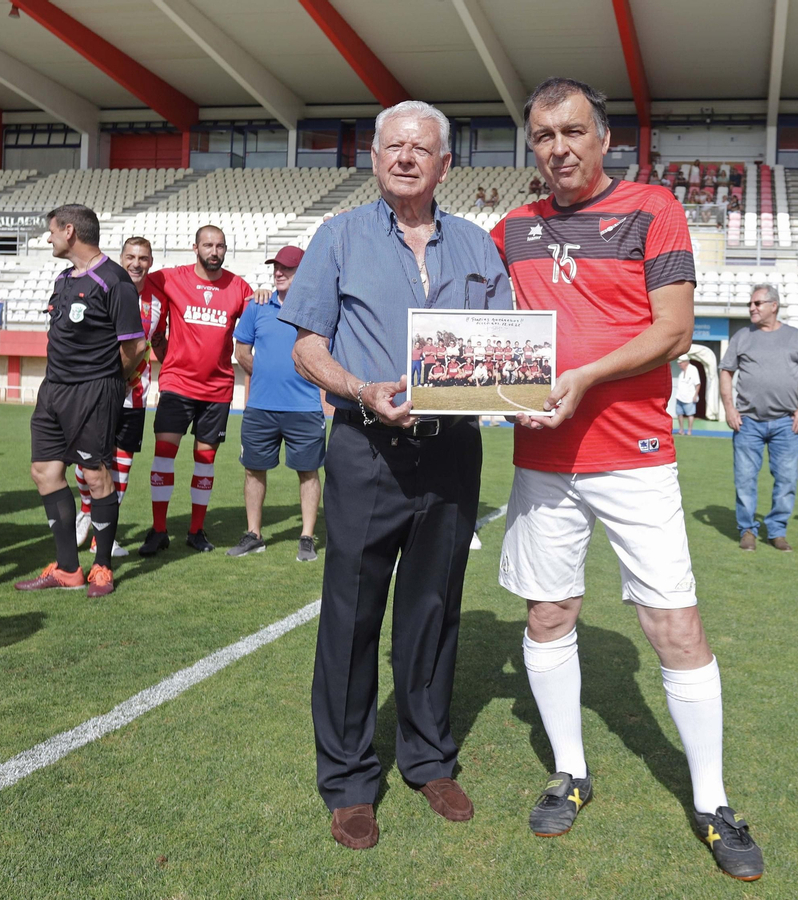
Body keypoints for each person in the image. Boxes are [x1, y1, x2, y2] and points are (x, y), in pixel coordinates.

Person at [494, 77, 764, 882]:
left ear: (603, 139)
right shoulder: (511, 227)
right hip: (543, 457)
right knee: (550, 614)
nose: (558, 148)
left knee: (673, 626)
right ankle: (571, 774)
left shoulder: (653, 209)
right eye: (543, 136)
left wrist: (580, 379)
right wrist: (499, 391)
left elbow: (674, 331)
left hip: (635, 453)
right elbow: (493, 334)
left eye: (573, 132)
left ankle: (713, 801)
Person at [279, 99, 510, 851]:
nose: (406, 157)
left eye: (422, 148)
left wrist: (520, 392)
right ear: (375, 159)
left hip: (452, 450)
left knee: (434, 609)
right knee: (350, 614)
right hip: (363, 446)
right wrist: (360, 390)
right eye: (393, 147)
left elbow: (507, 347)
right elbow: (306, 347)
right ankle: (349, 781)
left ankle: (428, 758)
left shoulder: (478, 245)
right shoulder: (339, 236)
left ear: (446, 165)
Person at [13, 205, 147, 599]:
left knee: (94, 474)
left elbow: (135, 345)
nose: (48, 237)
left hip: (93, 391)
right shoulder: (63, 278)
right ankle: (68, 568)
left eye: (52, 231)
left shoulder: (114, 280)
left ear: (69, 231)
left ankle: (102, 567)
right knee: (44, 471)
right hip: (53, 391)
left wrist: (108, 381)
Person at [139, 225, 254, 555]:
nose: (214, 251)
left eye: (220, 246)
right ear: (195, 248)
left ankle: (196, 530)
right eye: (208, 245)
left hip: (218, 389)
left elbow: (258, 316)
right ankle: (159, 529)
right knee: (164, 456)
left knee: (205, 461)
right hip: (177, 385)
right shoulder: (170, 278)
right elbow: (136, 277)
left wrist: (259, 294)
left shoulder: (239, 287)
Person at [227, 245, 323, 562]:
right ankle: (254, 534)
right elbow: (242, 353)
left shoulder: (317, 308)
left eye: (288, 268)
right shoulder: (258, 306)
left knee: (308, 472)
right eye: (276, 267)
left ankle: (307, 537)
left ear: (303, 273)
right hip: (260, 408)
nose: (279, 272)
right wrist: (268, 374)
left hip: (305, 407)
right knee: (254, 470)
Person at [74, 235, 160, 559]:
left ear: (150, 262)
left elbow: (156, 340)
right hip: (98, 390)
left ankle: (103, 537)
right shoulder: (106, 286)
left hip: (134, 395)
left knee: (121, 468)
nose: (137, 263)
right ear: (121, 258)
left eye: (143, 258)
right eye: (131, 256)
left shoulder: (158, 300)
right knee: (86, 462)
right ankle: (85, 508)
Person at [720, 283, 798, 553]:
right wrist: (729, 408)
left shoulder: (795, 337)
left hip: (786, 423)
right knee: (745, 480)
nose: (752, 307)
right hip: (748, 423)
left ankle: (777, 531)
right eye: (751, 303)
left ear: (774, 306)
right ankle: (748, 530)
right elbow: (726, 371)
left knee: (786, 480)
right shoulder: (742, 337)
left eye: (757, 303)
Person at [672, 354, 701, 435]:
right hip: (680, 396)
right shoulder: (682, 371)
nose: (679, 364)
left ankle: (689, 431)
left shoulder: (693, 369)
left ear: (686, 362)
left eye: (680, 363)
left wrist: (695, 395)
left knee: (690, 414)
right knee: (679, 413)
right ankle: (681, 430)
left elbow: (698, 383)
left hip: (689, 397)